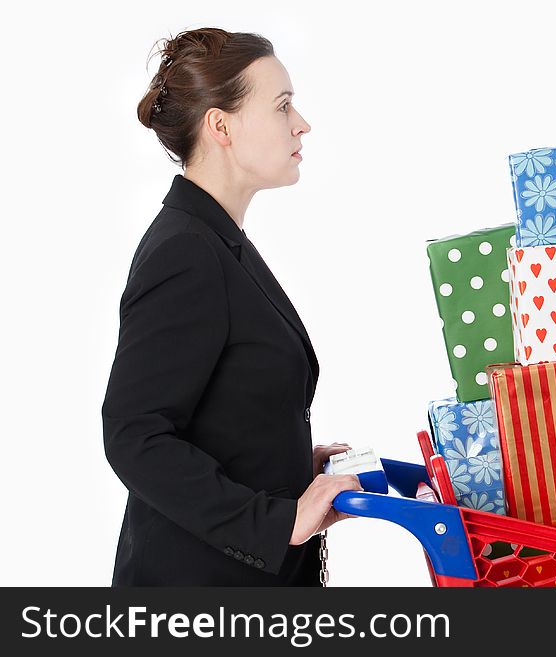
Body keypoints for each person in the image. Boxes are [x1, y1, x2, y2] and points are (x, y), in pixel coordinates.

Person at [101, 27, 362, 586]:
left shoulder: (217, 240)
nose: (302, 124)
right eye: (283, 106)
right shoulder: (185, 253)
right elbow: (135, 434)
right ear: (221, 126)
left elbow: (217, 403)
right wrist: (274, 521)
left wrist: (289, 463)